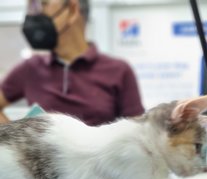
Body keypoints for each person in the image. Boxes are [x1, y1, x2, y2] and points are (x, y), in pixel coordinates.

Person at [0, 0, 144, 125]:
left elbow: (137, 136)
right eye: (31, 6)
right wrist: (15, 143)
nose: (34, 15)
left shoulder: (119, 71)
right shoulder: (30, 68)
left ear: (73, 9)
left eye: (43, 3)